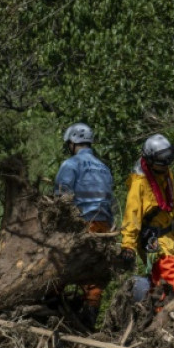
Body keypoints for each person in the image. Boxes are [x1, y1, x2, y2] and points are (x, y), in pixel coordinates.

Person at [54, 122, 115, 326]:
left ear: (72, 143)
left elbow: (61, 199)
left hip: (80, 225)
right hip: (103, 226)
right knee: (93, 274)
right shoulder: (104, 168)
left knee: (58, 266)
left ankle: (53, 311)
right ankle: (89, 319)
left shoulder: (70, 165)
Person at [120, 134, 174, 296]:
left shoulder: (166, 174)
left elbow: (172, 207)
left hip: (171, 238)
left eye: (168, 159)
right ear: (150, 159)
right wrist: (128, 245)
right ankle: (172, 313)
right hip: (154, 241)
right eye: (162, 160)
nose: (166, 164)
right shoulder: (139, 182)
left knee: (159, 285)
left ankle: (160, 313)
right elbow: (132, 215)